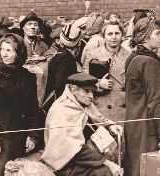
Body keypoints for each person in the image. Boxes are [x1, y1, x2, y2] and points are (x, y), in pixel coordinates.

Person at [0, 33, 41, 176]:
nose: (4, 54)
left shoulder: (28, 77)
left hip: (19, 140)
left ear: (19, 53)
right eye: (2, 50)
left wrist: (33, 135)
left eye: (9, 50)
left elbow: (33, 110)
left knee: (14, 172)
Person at [41, 73, 124, 176]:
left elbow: (98, 118)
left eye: (92, 91)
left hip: (81, 157)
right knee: (104, 172)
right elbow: (74, 150)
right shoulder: (60, 111)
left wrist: (110, 126)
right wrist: (107, 163)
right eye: (86, 91)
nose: (91, 96)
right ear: (73, 90)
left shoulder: (81, 103)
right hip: (65, 164)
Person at [124, 13, 160, 176]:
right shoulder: (149, 62)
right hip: (148, 128)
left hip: (134, 124)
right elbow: (156, 101)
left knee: (135, 168)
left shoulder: (133, 57)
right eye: (157, 33)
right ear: (145, 37)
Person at [82, 19, 131, 122]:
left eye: (117, 33)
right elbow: (83, 83)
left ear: (122, 35)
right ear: (103, 36)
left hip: (125, 111)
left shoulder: (130, 55)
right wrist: (98, 84)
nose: (113, 37)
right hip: (102, 111)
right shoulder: (93, 55)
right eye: (109, 34)